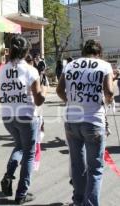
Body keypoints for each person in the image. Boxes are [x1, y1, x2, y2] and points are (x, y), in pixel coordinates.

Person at [56, 40, 114, 206]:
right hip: (94, 121)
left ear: (83, 52)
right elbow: (109, 91)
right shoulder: (104, 66)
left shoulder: (71, 65)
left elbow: (60, 90)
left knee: (77, 165)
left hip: (71, 121)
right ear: (99, 53)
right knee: (95, 168)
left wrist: (72, 102)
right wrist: (106, 101)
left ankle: (78, 201)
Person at [0, 35, 46, 204]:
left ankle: (9, 175)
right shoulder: (31, 70)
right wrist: (44, 92)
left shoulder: (2, 69)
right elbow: (38, 100)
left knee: (19, 147)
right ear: (26, 52)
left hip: (7, 116)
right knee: (29, 155)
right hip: (26, 117)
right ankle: (21, 194)